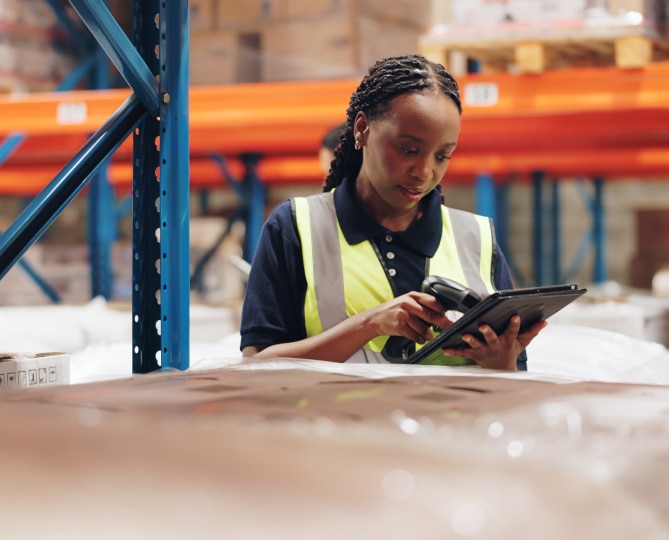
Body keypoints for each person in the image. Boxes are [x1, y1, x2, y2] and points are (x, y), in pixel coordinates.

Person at [240, 54, 546, 371]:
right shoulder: (295, 227)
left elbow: (512, 383)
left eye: (443, 156)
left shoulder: (477, 238)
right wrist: (369, 324)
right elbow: (256, 368)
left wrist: (501, 362)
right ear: (362, 129)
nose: (424, 172)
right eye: (408, 150)